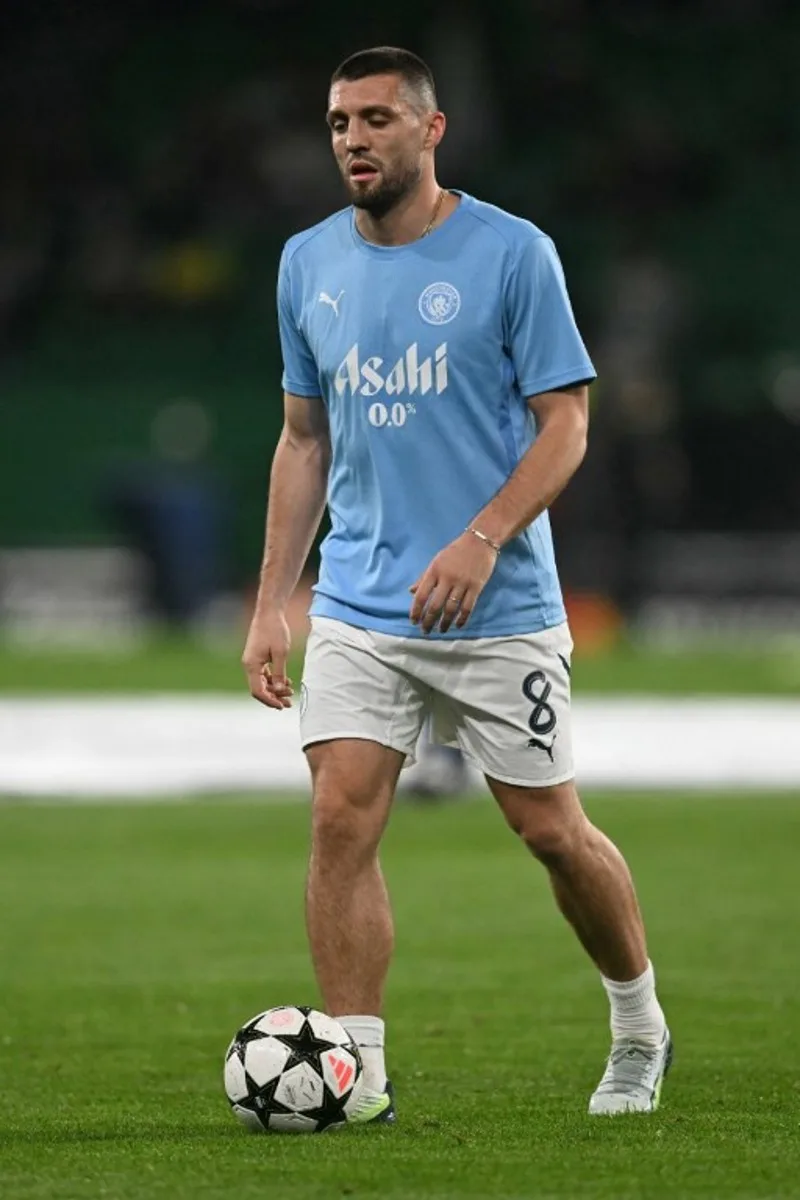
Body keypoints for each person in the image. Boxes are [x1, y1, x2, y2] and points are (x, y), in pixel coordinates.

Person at [242, 46, 672, 1121]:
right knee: (340, 818)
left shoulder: (512, 255)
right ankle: (357, 1072)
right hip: (357, 601)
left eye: (377, 119)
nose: (353, 139)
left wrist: (482, 537)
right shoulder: (306, 263)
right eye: (339, 121)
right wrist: (268, 605)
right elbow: (302, 443)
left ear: (430, 132)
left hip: (497, 606)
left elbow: (564, 423)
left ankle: (636, 1023)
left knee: (548, 831)